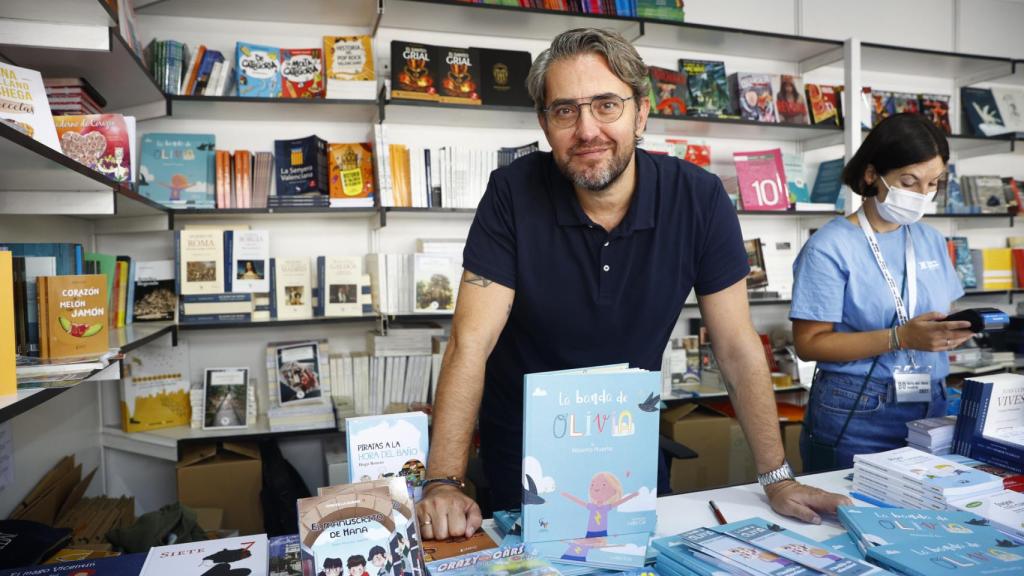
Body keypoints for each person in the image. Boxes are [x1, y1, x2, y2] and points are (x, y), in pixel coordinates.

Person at [415, 28, 850, 541]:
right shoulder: (512, 192)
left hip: (632, 446)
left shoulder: (700, 199)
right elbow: (472, 340)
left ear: (641, 112)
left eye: (606, 105)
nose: (586, 130)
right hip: (524, 452)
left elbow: (735, 345)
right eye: (564, 111)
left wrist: (776, 478)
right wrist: (444, 479)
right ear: (544, 123)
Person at [790, 113, 974, 473]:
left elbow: (943, 318)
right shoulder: (830, 246)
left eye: (934, 183)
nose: (923, 195)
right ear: (873, 174)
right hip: (857, 408)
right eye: (910, 181)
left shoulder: (932, 240)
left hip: (932, 404)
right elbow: (810, 344)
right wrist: (900, 337)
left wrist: (949, 335)